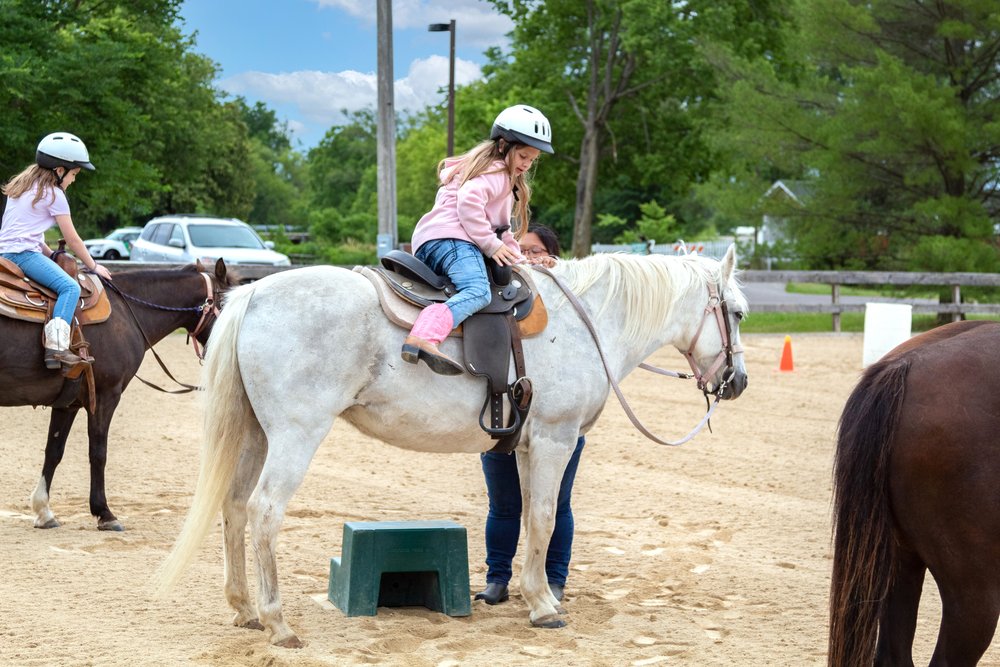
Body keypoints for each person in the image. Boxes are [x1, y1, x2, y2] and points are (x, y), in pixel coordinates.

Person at [475, 224, 586, 605]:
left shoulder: (565, 304)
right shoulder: (499, 301)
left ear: (552, 256)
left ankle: (554, 578)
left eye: (535, 251)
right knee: (503, 505)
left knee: (557, 502)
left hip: (554, 420)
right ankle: (498, 578)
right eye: (520, 249)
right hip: (503, 417)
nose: (527, 256)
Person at [401, 104, 554, 376]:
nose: (527, 164)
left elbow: (502, 232)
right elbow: (469, 203)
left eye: (533, 159)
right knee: (479, 292)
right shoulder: (497, 173)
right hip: (452, 239)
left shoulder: (489, 172)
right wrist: (490, 244)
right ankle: (425, 334)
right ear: (504, 145)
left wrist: (519, 259)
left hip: (432, 240)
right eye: (523, 155)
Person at [0, 132, 113, 369]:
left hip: (6, 253)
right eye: (74, 174)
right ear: (59, 171)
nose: (73, 180)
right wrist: (93, 266)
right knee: (69, 287)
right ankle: (56, 348)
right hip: (23, 255)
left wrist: (50, 254)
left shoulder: (22, 186)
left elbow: (28, 233)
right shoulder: (54, 194)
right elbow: (72, 239)